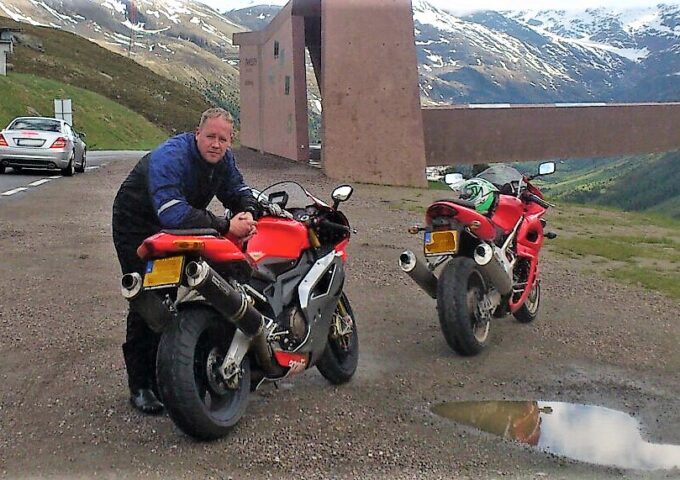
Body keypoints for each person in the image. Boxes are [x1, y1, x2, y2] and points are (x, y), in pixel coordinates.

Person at [112, 107, 259, 414]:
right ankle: (141, 385)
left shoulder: (224, 159)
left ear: (230, 140)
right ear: (197, 134)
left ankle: (213, 357)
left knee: (221, 275)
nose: (216, 144)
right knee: (151, 300)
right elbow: (173, 213)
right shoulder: (171, 157)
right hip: (137, 224)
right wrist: (226, 225)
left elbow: (238, 189)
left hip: (183, 225)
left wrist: (248, 212)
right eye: (210, 136)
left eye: (223, 139)